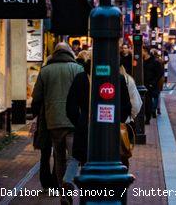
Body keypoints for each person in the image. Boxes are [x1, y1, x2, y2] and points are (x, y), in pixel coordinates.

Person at [65, 52, 133, 179]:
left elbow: (70, 107)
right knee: (111, 163)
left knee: (82, 162)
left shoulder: (80, 78)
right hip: (110, 129)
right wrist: (118, 122)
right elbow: (126, 106)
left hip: (86, 127)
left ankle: (75, 189)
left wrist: (80, 122)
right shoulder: (118, 78)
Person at [30, 42, 83, 199]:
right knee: (74, 156)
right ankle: (68, 183)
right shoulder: (77, 69)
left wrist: (36, 116)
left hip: (53, 120)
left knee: (58, 156)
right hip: (73, 120)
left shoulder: (45, 71)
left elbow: (36, 96)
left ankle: (62, 190)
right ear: (69, 53)